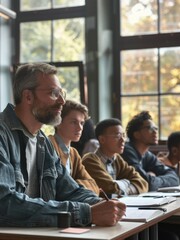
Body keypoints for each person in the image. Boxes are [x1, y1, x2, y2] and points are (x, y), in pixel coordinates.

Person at [0, 62, 126, 227]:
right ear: (28, 97)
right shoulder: (3, 134)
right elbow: (5, 204)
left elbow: (69, 190)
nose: (62, 101)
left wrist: (102, 205)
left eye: (61, 93)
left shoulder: (43, 142)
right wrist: (86, 213)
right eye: (53, 93)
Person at [82, 118, 148, 198]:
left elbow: (143, 183)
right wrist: (127, 183)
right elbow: (110, 189)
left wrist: (120, 187)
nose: (123, 140)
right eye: (117, 136)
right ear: (102, 139)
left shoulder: (117, 159)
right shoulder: (90, 160)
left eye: (123, 135)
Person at [48, 99, 99, 195]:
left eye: (82, 123)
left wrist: (73, 185)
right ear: (58, 123)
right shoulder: (49, 145)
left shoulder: (73, 153)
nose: (80, 128)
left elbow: (94, 186)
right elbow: (57, 188)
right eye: (74, 122)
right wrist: (77, 186)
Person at [121, 111, 180, 191]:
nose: (155, 132)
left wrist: (153, 179)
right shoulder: (127, 151)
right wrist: (151, 179)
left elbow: (174, 178)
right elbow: (144, 181)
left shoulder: (147, 155)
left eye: (156, 128)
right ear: (136, 134)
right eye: (150, 128)